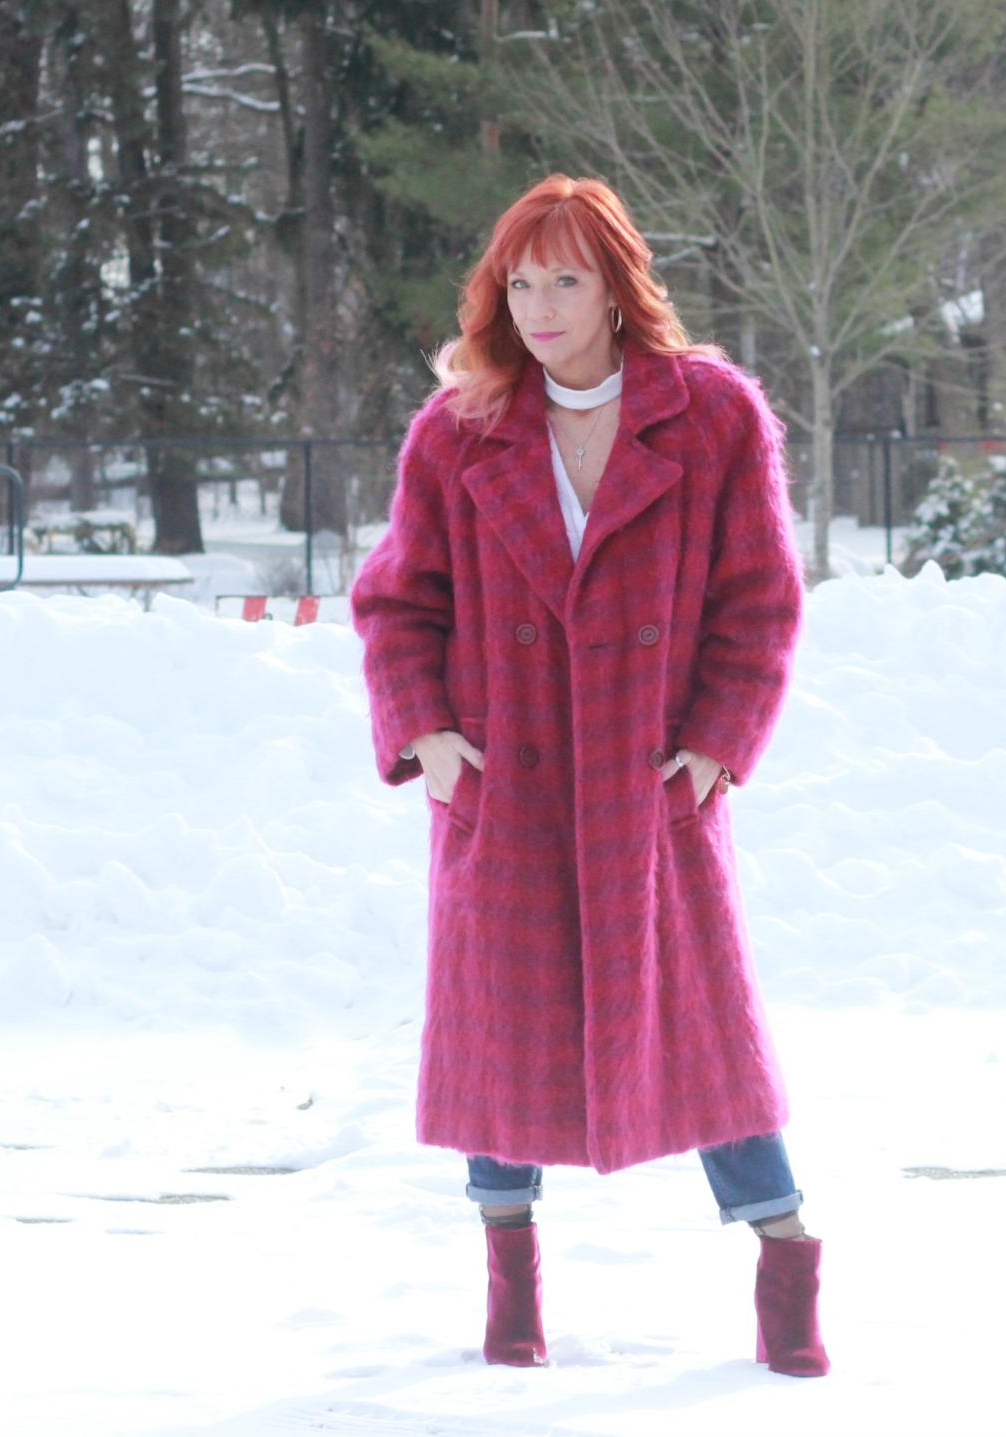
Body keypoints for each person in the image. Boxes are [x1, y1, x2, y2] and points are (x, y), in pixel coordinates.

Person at [349, 173, 827, 1378]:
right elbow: (398, 601)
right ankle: (510, 1293)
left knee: (706, 1032)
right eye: (521, 281)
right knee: (499, 1039)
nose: (542, 305)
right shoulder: (458, 429)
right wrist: (431, 735)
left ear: (619, 285)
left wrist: (721, 740)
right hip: (504, 784)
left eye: (567, 279)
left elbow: (759, 599)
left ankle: (786, 1267)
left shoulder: (711, 415)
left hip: (648, 784)